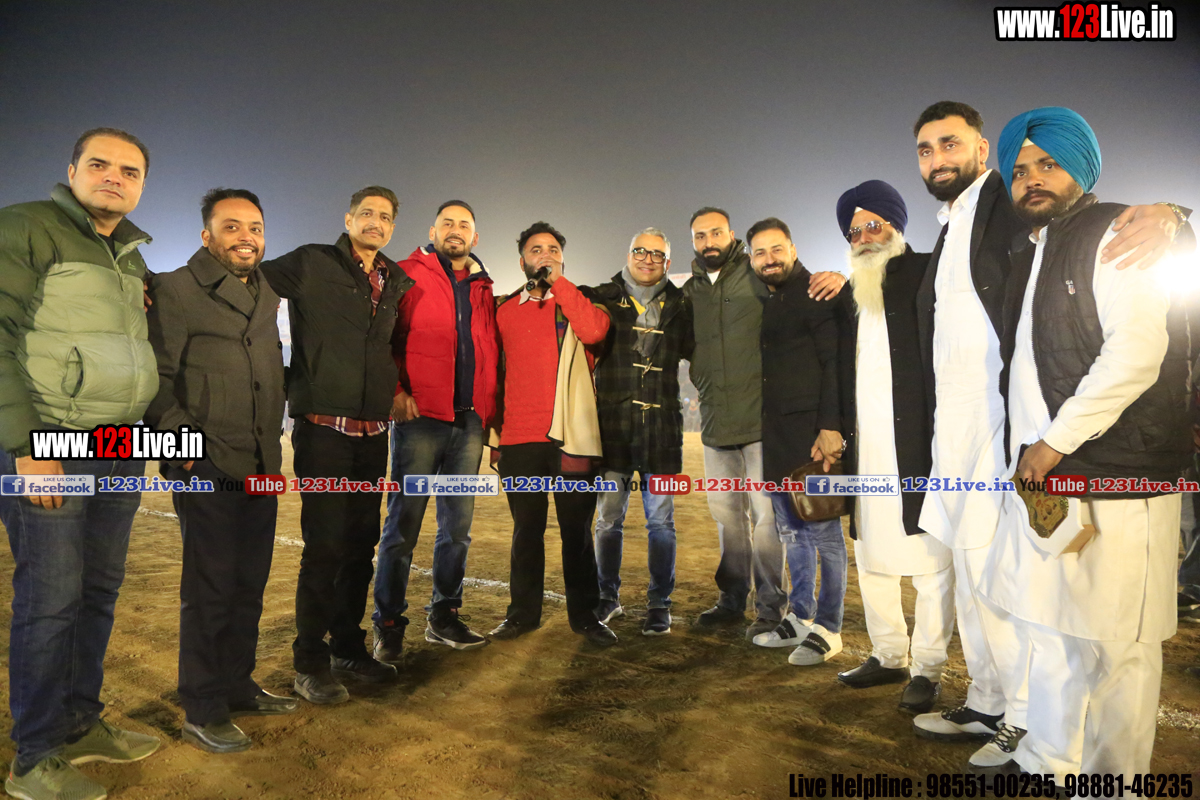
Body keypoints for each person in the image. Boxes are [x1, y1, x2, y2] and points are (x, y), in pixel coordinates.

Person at [907, 102, 1184, 770]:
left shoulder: (1111, 234)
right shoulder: (1030, 247)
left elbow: (1136, 354)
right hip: (1041, 476)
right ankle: (1046, 763)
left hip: (1114, 473)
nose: (1033, 178)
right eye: (1023, 168)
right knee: (1053, 629)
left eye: (1049, 164)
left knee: (1118, 649)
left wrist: (1175, 214)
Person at [0, 128, 160, 800]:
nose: (114, 177)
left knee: (97, 590)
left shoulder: (130, 256)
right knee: (51, 598)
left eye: (130, 170)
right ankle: (34, 756)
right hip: (51, 444)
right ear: (71, 171)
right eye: (100, 164)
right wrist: (27, 447)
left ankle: (79, 723)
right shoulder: (25, 227)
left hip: (119, 447)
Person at [145, 188, 295, 753]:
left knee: (249, 583)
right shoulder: (177, 288)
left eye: (254, 227)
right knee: (210, 589)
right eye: (231, 227)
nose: (245, 237)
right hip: (206, 461)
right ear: (206, 235)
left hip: (261, 460)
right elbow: (155, 379)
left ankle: (237, 684)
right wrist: (184, 445)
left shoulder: (268, 290)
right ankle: (202, 707)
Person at [259, 187, 415, 703]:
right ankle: (309, 661)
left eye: (385, 217)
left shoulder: (395, 280)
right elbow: (248, 280)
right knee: (324, 547)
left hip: (372, 434)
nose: (375, 222)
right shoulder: (312, 262)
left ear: (392, 227)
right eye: (366, 213)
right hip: (324, 430)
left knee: (360, 545)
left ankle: (348, 646)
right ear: (348, 219)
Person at [827, 181, 954, 715]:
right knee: (873, 558)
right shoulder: (848, 295)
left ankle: (927, 667)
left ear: (896, 226)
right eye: (854, 230)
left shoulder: (929, 272)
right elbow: (836, 367)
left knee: (930, 563)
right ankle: (888, 655)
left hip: (919, 445)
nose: (863, 237)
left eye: (873, 225)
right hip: (866, 451)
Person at [373, 201, 499, 659]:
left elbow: (489, 352)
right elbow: (382, 337)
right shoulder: (407, 273)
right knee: (402, 526)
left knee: (457, 530)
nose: (455, 230)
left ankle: (444, 616)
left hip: (469, 424)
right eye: (447, 223)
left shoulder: (484, 286)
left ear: (475, 237)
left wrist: (490, 417)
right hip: (421, 419)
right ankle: (388, 623)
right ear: (432, 230)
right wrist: (396, 390)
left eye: (464, 224)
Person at [489, 222, 617, 647]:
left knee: (575, 533)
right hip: (518, 440)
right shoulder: (503, 310)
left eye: (553, 249)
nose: (544, 254)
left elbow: (594, 331)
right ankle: (521, 616)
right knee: (526, 532)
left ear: (562, 259)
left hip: (570, 439)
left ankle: (586, 617)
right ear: (521, 261)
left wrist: (560, 284)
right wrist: (495, 437)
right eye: (535, 249)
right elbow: (494, 374)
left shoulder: (579, 301)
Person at [744, 217, 850, 666]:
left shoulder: (815, 292)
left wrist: (830, 426)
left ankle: (830, 626)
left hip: (812, 438)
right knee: (792, 532)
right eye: (760, 253)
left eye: (776, 249)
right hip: (779, 439)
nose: (769, 259)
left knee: (825, 534)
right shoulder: (771, 299)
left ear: (792, 249)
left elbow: (834, 363)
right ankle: (800, 616)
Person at [585, 227, 694, 636]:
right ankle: (606, 596)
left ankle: (659, 604)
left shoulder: (683, 305)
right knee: (607, 521)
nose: (648, 259)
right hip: (612, 429)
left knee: (661, 523)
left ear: (668, 262)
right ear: (628, 254)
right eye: (640, 251)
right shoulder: (602, 297)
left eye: (657, 254)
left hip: (662, 432)